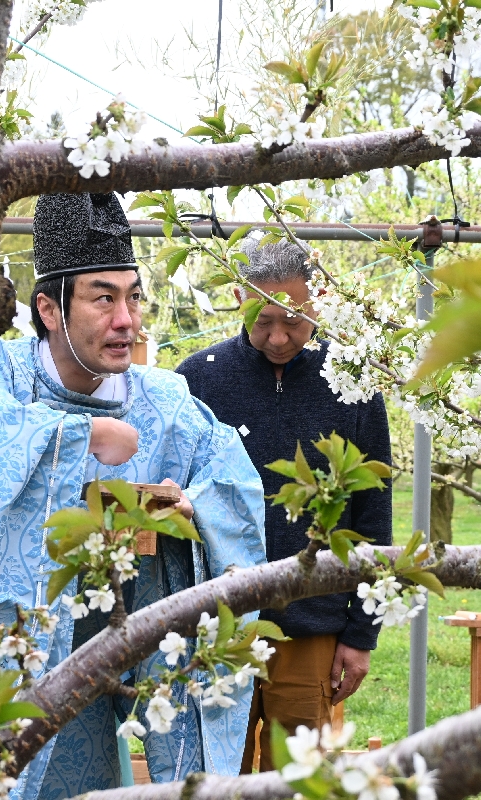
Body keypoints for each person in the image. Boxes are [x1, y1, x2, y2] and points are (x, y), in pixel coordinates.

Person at [0, 193, 267, 800]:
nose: (126, 320)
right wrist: (83, 436)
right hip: (15, 652)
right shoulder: (0, 371)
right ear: (49, 309)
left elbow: (233, 487)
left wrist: (194, 509)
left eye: (133, 297)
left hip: (110, 657)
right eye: (104, 298)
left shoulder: (165, 401)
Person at [175, 236, 393, 773]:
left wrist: (361, 634)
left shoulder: (354, 382)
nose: (277, 337)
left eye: (293, 320)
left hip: (312, 627)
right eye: (262, 319)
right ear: (236, 297)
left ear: (317, 298)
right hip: (215, 625)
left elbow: (374, 517)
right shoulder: (195, 379)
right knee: (209, 773)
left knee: (296, 779)